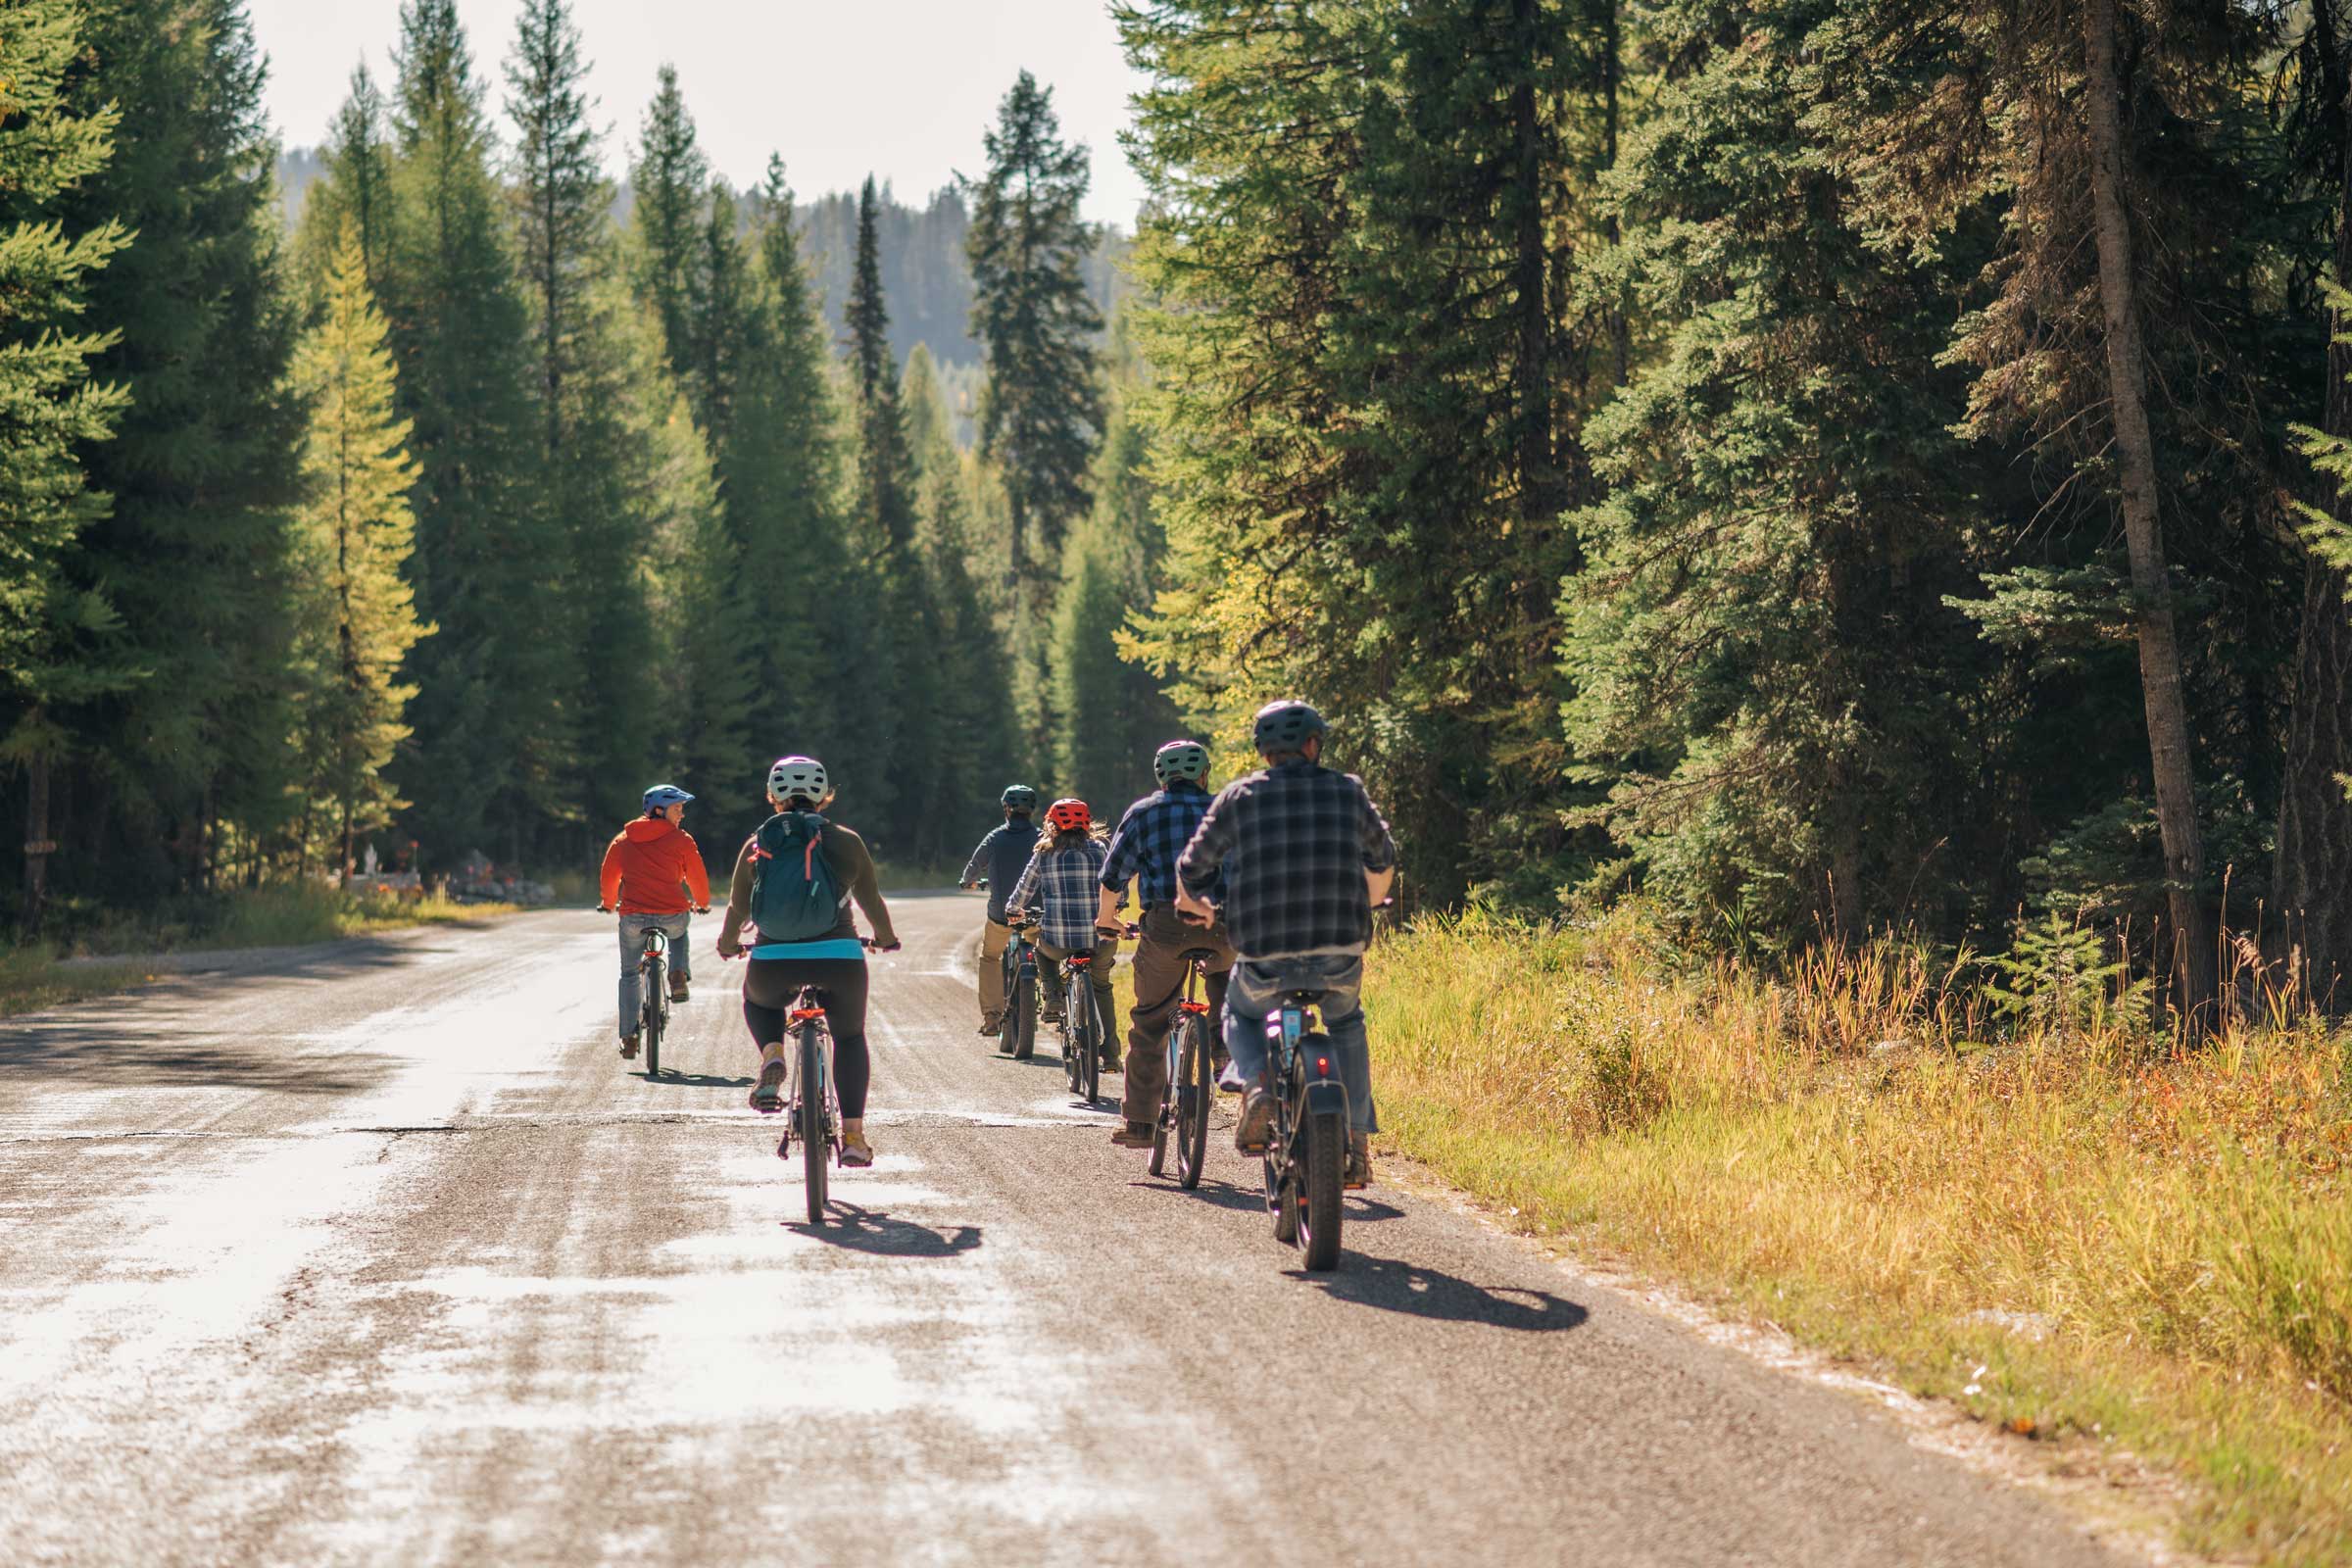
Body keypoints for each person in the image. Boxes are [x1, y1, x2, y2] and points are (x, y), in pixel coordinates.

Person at [1175, 701, 1396, 1188]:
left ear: (1263, 750)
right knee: (1346, 1023)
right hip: (1340, 947)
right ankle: (1357, 1144)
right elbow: (1382, 860)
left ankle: (1256, 1084)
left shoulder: (1241, 796)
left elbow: (1192, 868)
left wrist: (1205, 907)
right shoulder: (1347, 791)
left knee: (1240, 1012)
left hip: (1262, 948)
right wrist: (1372, 903)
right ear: (1314, 745)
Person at [715, 755, 902, 1167]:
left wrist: (729, 944)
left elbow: (737, 908)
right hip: (839, 958)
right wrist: (885, 939)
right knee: (850, 1038)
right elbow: (871, 901)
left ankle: (772, 1053)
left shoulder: (758, 843)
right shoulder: (847, 841)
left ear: (772, 796)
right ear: (825, 796)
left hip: (772, 960)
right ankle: (853, 1136)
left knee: (759, 1001)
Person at [1095, 740, 1236, 1150]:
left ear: (1162, 777)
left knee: (1151, 1020)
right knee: (1227, 977)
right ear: (1204, 775)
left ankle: (1140, 1123)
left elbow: (1113, 876)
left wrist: (1107, 919)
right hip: (1224, 924)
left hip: (1166, 927)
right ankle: (1224, 1050)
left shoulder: (1143, 813)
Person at [598, 783, 711, 1059]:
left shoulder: (624, 839)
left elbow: (609, 875)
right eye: (677, 809)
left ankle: (629, 1035)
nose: (681, 815)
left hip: (634, 918)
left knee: (628, 974)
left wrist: (609, 904)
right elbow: (696, 876)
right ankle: (677, 974)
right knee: (680, 933)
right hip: (672, 915)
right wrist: (703, 903)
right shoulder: (682, 840)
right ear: (658, 810)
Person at [1004, 798, 1119, 1063]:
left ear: (1051, 825)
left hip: (1058, 941)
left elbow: (1024, 890)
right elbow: (1116, 885)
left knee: (1042, 953)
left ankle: (1054, 994)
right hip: (1099, 938)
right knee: (1102, 988)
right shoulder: (1100, 850)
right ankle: (1111, 1055)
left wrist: (1013, 909)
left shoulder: (1044, 853)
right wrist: (1119, 905)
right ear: (1087, 824)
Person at [958, 784, 1042, 1036]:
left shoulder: (994, 838)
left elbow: (974, 866)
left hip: (1001, 916)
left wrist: (968, 881)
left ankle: (992, 1017)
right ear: (1032, 810)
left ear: (1006, 809)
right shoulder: (1042, 838)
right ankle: (1052, 997)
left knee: (990, 957)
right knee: (1046, 953)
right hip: (1036, 914)